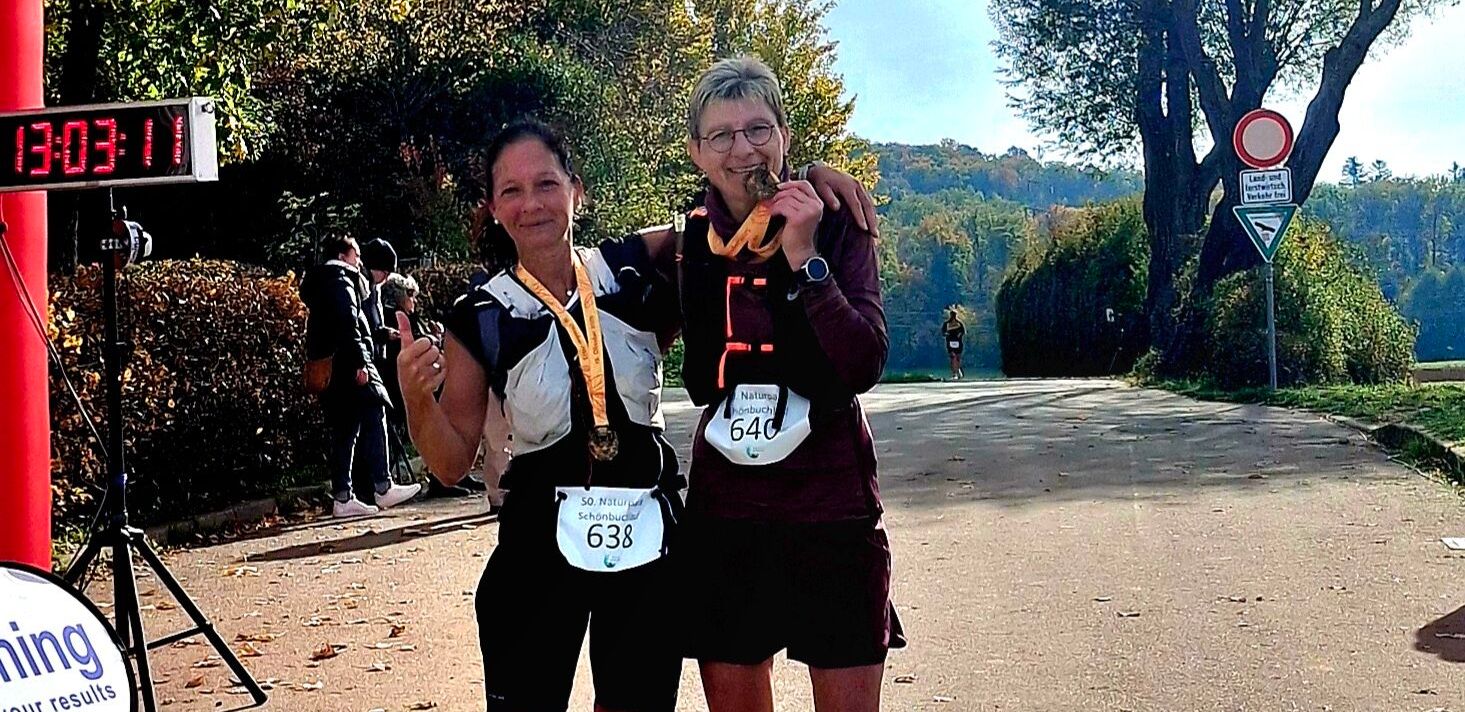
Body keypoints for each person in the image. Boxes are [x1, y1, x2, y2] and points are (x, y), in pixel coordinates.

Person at [396, 118, 876, 712]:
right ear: (492, 208)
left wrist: (806, 178)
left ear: (577, 191)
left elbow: (731, 216)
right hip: (537, 542)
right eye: (511, 192)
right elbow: (449, 464)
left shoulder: (637, 265)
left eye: (546, 184)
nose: (531, 204)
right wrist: (417, 399)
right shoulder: (482, 313)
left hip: (647, 537)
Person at [660, 56, 903, 712]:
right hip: (726, 513)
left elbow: (862, 365)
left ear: (785, 137)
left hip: (833, 508)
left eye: (758, 129)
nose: (743, 148)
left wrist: (805, 258)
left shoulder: (836, 222)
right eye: (722, 136)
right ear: (697, 154)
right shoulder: (686, 240)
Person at [299, 235, 422, 517]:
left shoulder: (324, 282)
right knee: (375, 410)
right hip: (349, 365)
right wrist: (359, 363)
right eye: (356, 255)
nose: (360, 261)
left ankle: (344, 496)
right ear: (343, 256)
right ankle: (382, 484)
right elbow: (348, 323)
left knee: (346, 429)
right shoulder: (342, 281)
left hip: (334, 367)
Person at [942, 309, 965, 380]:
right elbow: (943, 332)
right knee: (953, 357)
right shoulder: (946, 324)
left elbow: (963, 332)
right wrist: (946, 334)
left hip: (958, 342)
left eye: (954, 315)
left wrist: (959, 334)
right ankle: (954, 373)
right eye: (952, 315)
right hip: (950, 342)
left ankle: (958, 370)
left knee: (957, 357)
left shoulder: (959, 323)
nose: (953, 317)